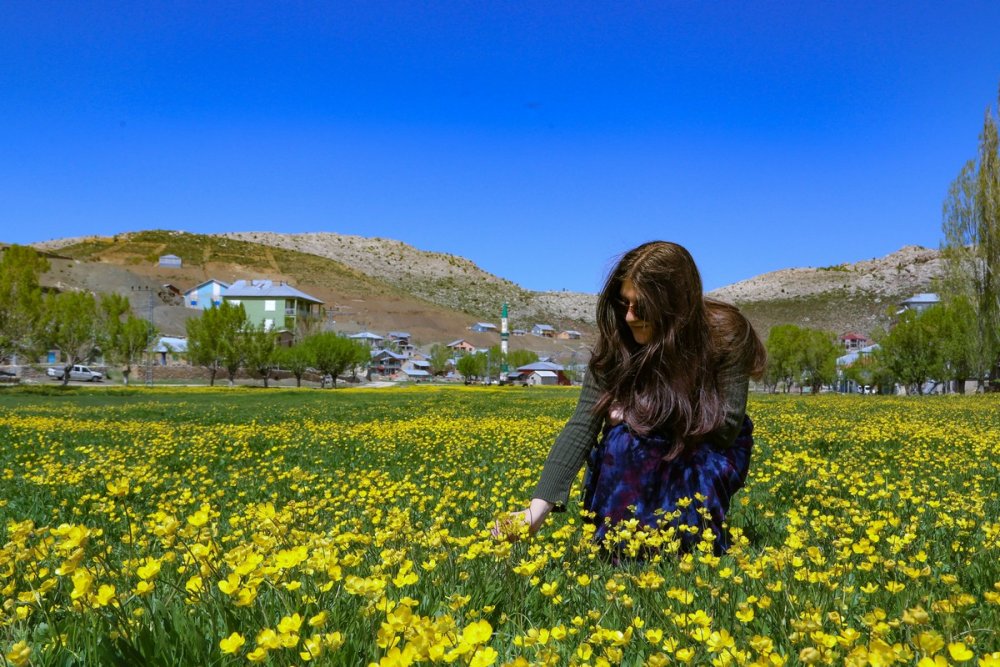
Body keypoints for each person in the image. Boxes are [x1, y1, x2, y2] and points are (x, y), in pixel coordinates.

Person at [497, 241, 766, 554]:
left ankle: (688, 538)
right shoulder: (618, 341)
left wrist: (645, 411)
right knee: (623, 446)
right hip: (643, 447)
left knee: (684, 540)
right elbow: (583, 423)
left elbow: (726, 426)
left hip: (707, 447)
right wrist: (536, 511)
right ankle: (622, 541)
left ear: (676, 306)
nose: (629, 316)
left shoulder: (726, 334)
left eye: (642, 306)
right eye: (624, 302)